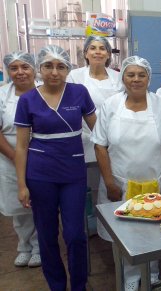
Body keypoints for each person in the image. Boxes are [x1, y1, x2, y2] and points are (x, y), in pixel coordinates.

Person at [91, 56, 161, 290]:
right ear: (123, 77)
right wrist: (109, 181)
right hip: (119, 183)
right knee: (125, 232)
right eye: (130, 74)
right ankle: (129, 276)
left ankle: (152, 273)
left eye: (141, 75)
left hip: (156, 182)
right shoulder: (111, 105)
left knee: (153, 231)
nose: (136, 79)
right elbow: (100, 146)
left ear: (148, 78)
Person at [14, 45, 97, 291]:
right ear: (39, 68)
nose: (54, 72)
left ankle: (79, 285)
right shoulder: (27, 99)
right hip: (40, 174)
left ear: (68, 69)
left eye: (61, 66)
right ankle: (57, 285)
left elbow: (100, 130)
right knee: (47, 235)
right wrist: (21, 185)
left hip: (73, 172)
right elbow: (20, 147)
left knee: (75, 235)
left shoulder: (79, 93)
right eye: (48, 66)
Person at [0, 52, 40, 268]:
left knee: (41, 204)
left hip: (42, 158)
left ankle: (40, 247)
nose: (20, 72)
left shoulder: (45, 91)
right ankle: (24, 246)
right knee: (19, 206)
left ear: (34, 69)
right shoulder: (2, 95)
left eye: (25, 67)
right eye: (14, 68)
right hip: (9, 158)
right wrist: (17, 157)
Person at [67, 35, 122, 162]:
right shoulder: (74, 77)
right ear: (86, 53)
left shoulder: (118, 77)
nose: (97, 52)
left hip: (114, 138)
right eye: (92, 48)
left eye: (102, 48)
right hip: (85, 139)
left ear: (108, 54)